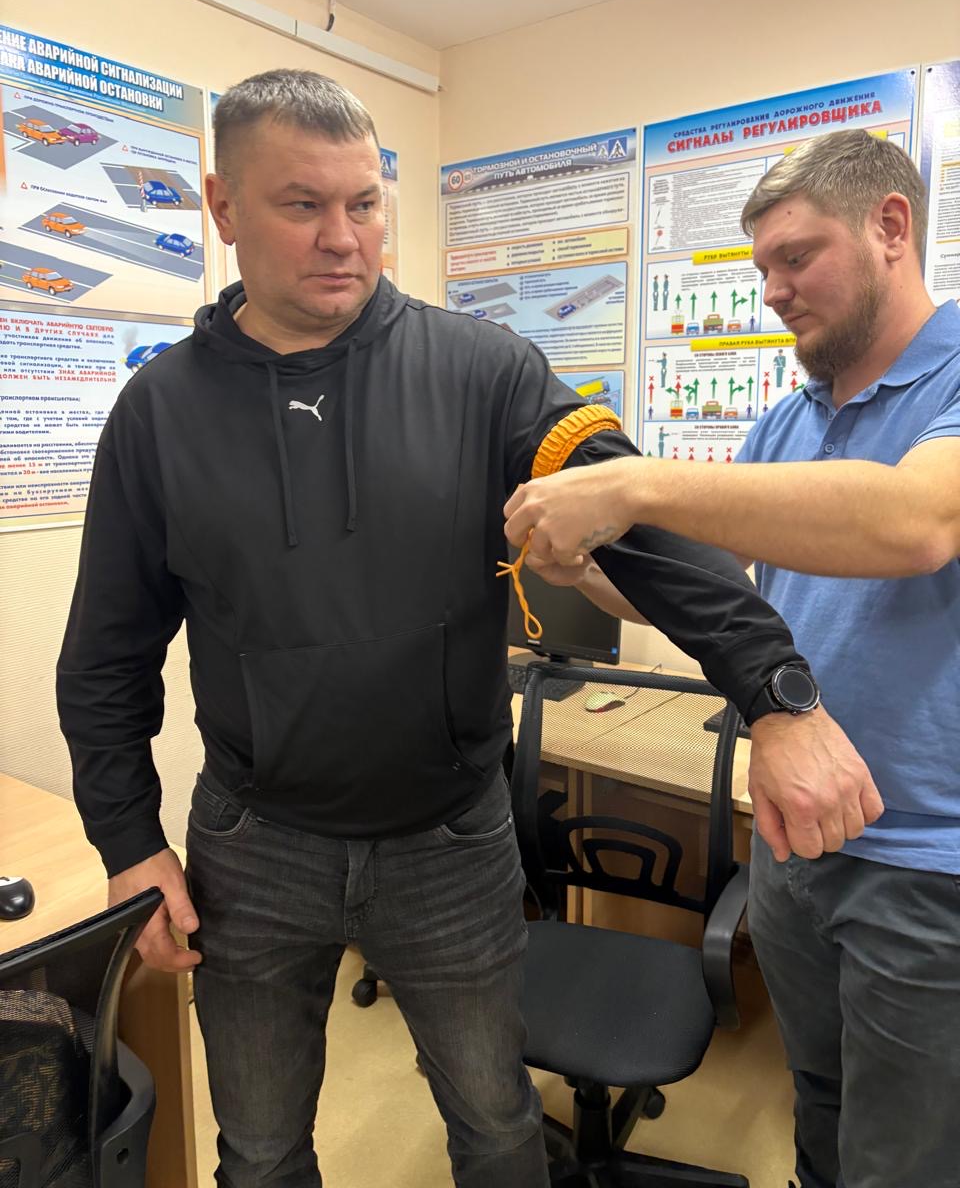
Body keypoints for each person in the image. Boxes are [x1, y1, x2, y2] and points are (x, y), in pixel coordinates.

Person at [58, 70, 871, 1188]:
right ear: (223, 205)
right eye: (303, 205)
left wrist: (775, 691)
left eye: (364, 203)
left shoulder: (483, 373)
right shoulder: (158, 415)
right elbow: (106, 656)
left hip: (450, 843)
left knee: (495, 1125)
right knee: (258, 1146)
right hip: (256, 846)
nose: (344, 237)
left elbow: (632, 518)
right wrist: (128, 842)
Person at [504, 129, 960, 1188]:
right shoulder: (790, 422)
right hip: (794, 836)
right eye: (761, 268)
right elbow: (711, 592)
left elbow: (918, 522)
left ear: (892, 227)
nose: (773, 292)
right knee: (821, 1109)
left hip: (928, 867)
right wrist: (580, 567)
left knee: (907, 1156)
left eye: (797, 257)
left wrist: (637, 482)